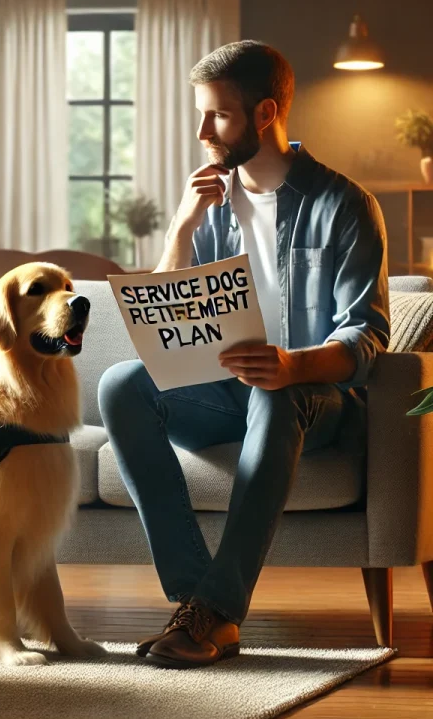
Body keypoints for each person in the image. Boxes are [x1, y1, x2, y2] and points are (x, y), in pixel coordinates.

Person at [98, 40, 390, 669]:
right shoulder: (209, 204)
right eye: (200, 114)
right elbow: (170, 309)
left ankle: (216, 613)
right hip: (224, 392)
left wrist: (292, 365)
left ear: (264, 114)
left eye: (218, 116)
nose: (203, 131)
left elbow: (365, 339)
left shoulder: (344, 206)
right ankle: (200, 603)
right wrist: (180, 225)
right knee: (121, 384)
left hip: (313, 398)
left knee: (276, 394)